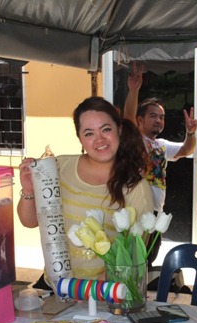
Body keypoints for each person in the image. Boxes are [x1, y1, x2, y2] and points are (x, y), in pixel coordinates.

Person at [18, 96, 154, 285]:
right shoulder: (58, 167)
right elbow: (30, 221)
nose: (100, 139)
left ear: (119, 129)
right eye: (89, 133)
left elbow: (135, 252)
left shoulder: (135, 186)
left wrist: (94, 291)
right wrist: (29, 190)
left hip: (104, 290)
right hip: (56, 285)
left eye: (106, 129)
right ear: (80, 138)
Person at [123, 62, 197, 265]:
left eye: (162, 117)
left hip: (156, 211)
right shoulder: (134, 140)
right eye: (153, 116)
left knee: (148, 259)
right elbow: (128, 119)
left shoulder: (162, 145)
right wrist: (134, 90)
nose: (159, 120)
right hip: (136, 209)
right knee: (133, 261)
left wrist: (190, 132)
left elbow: (186, 150)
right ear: (140, 120)